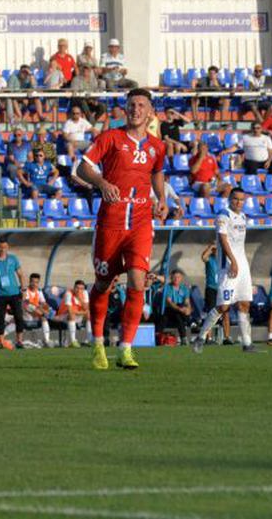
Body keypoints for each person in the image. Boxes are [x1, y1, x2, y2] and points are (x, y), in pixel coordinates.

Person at [77, 87, 168, 370]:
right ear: (125, 109)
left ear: (150, 112)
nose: (135, 109)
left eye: (141, 105)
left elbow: (156, 172)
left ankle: (126, 349)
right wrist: (102, 183)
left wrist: (161, 199)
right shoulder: (111, 138)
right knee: (104, 283)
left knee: (138, 282)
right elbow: (82, 168)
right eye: (131, 104)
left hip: (141, 221)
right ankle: (97, 343)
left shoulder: (157, 146)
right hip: (111, 222)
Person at [192, 189, 258, 353]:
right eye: (235, 199)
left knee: (244, 303)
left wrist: (239, 262)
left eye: (242, 200)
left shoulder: (243, 217)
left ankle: (247, 344)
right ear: (230, 199)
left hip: (242, 266)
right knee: (223, 306)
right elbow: (222, 239)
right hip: (228, 266)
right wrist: (233, 261)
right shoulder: (223, 215)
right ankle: (200, 337)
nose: (239, 202)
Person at [0, 237, 25, 350]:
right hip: (0, 295)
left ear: (8, 248)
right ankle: (1, 341)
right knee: (0, 319)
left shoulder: (13, 259)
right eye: (0, 247)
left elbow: (21, 274)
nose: (2, 249)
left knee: (19, 317)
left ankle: (19, 341)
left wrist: (23, 289)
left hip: (14, 293)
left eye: (4, 247)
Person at [20, 273, 54, 347]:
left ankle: (46, 340)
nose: (34, 284)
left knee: (44, 316)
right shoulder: (25, 290)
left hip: (36, 313)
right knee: (30, 306)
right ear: (29, 281)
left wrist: (48, 308)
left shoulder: (39, 291)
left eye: (36, 282)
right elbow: (26, 303)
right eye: (32, 281)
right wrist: (41, 309)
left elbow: (43, 303)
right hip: (26, 314)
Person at [159, 270, 193, 344]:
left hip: (181, 311)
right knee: (177, 313)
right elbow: (169, 302)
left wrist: (188, 309)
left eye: (178, 277)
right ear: (171, 278)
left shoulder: (184, 288)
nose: (176, 279)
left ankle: (184, 337)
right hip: (170, 311)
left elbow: (187, 301)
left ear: (181, 278)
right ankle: (184, 338)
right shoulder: (168, 287)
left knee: (180, 314)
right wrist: (180, 309)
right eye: (174, 277)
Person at [56, 280, 90, 347]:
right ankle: (73, 341)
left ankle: (89, 340)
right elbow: (70, 311)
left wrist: (80, 299)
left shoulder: (85, 293)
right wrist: (83, 312)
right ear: (74, 288)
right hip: (63, 315)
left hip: (78, 315)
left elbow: (87, 308)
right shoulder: (68, 293)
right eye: (77, 288)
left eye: (81, 289)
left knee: (89, 315)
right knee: (72, 315)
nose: (79, 290)